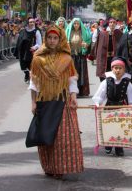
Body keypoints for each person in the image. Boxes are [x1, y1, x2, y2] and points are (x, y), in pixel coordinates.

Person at [28, 25, 83, 179]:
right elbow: (34, 84)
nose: (52, 41)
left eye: (55, 38)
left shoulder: (66, 59)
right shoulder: (38, 59)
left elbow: (72, 80)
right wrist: (33, 103)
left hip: (62, 100)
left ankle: (60, 168)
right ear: (45, 39)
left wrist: (73, 96)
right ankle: (49, 167)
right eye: (49, 38)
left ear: (60, 40)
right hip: (44, 101)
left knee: (62, 137)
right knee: (46, 137)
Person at [92, 56, 132, 156]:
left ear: (124, 69)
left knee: (120, 128)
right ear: (112, 69)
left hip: (121, 108)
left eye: (120, 68)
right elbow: (100, 95)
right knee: (109, 127)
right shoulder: (106, 81)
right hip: (109, 107)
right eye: (115, 68)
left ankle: (119, 147)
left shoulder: (127, 82)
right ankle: (108, 145)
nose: (117, 70)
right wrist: (97, 104)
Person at [65, 18, 91, 97]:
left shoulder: (84, 32)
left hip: (80, 56)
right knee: (71, 74)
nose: (76, 25)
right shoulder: (68, 32)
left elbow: (89, 41)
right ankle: (71, 91)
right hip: (71, 56)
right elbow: (63, 42)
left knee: (80, 73)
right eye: (75, 23)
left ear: (80, 25)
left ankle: (80, 91)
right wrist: (67, 44)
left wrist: (86, 44)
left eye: (77, 24)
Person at [15, 17, 42, 83]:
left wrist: (35, 47)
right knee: (23, 66)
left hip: (31, 51)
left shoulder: (36, 31)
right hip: (23, 51)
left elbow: (39, 43)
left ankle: (31, 77)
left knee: (31, 66)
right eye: (30, 22)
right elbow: (19, 41)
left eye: (33, 22)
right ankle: (27, 74)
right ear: (28, 23)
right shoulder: (22, 31)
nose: (32, 23)